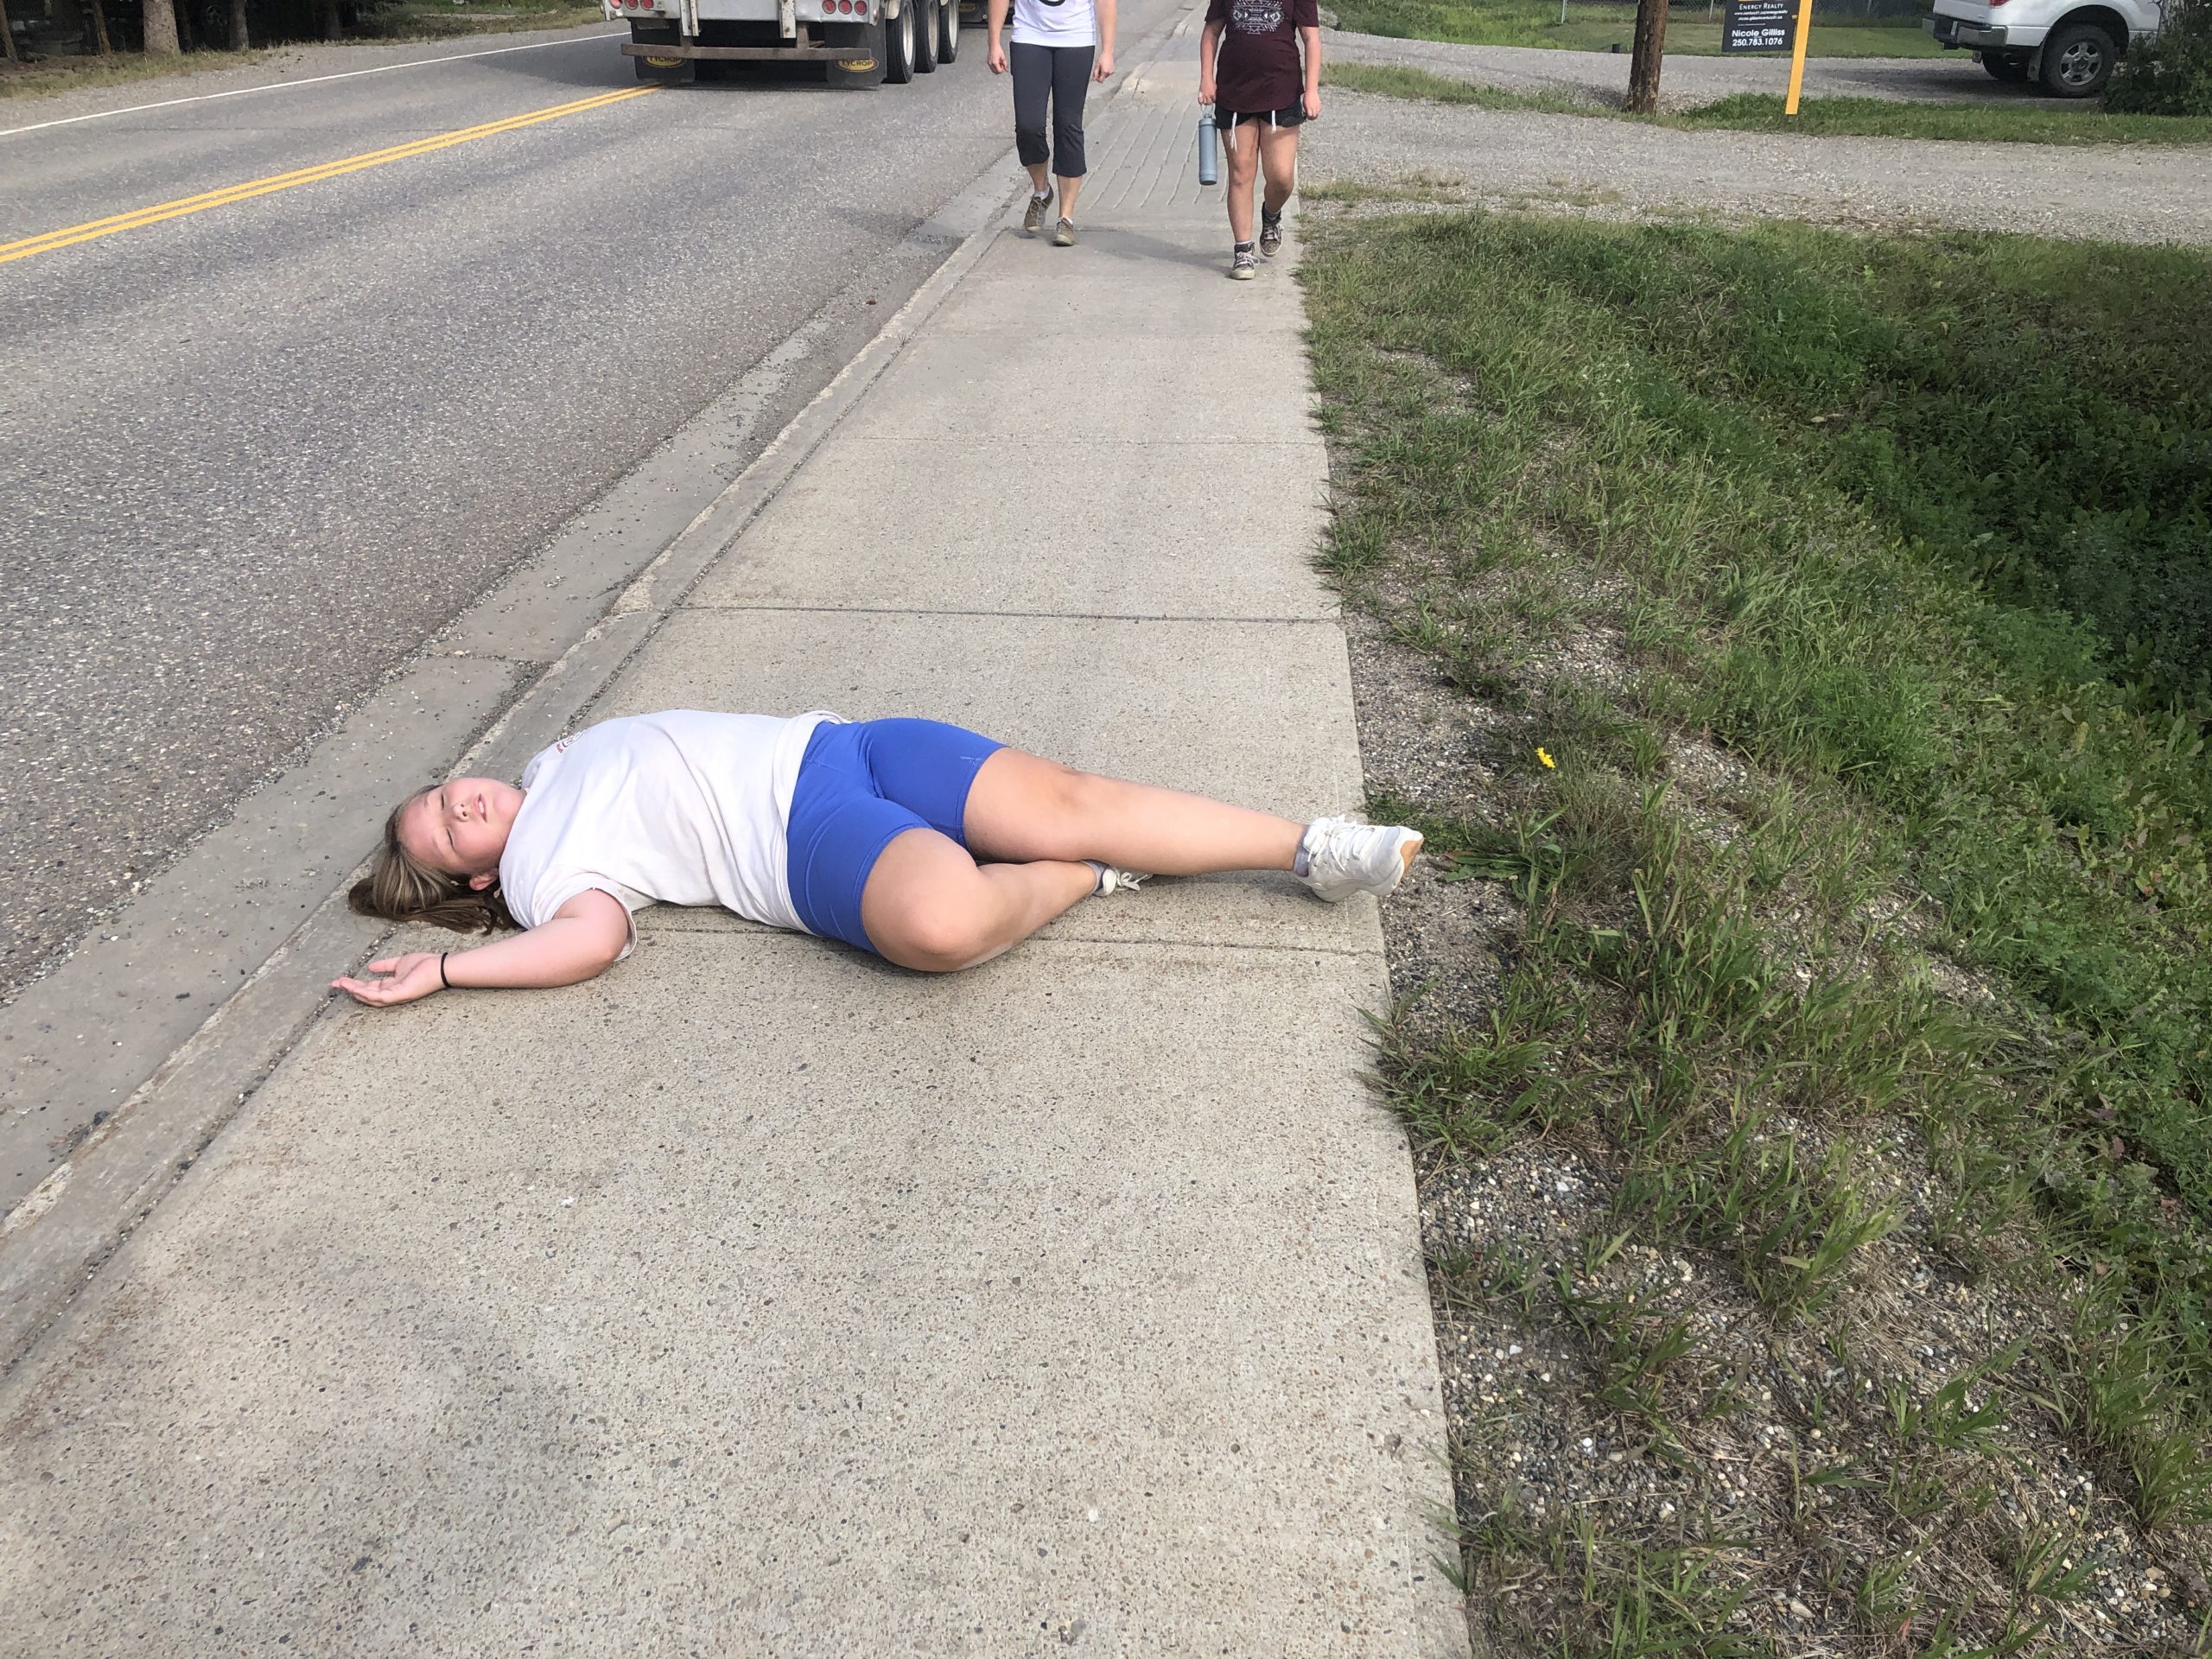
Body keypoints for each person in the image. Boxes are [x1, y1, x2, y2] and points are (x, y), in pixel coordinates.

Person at [334, 710, 1423, 1006]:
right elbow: (589, 941)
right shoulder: (541, 873)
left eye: (443, 793)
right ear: (479, 877)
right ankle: (1080, 877)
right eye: (452, 831)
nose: (461, 803)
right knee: (940, 928)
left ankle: (1313, 847)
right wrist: (449, 969)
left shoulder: (550, 758)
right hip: (803, 844)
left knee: (1072, 799)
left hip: (843, 747)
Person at [1198, 0, 1321, 280]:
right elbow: (1211, 31)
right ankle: (1243, 250)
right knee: (1241, 174)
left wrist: (1312, 90)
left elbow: (1311, 37)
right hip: (1234, 91)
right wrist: (1206, 77)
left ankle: (1272, 213)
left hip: (1282, 90)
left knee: (1281, 178)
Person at [988, 0, 1115, 247]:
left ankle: (1066, 218)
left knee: (1068, 126)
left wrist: (1108, 51)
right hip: (1029, 35)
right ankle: (1042, 191)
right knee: (1028, 126)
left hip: (1076, 38)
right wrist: (994, 43)